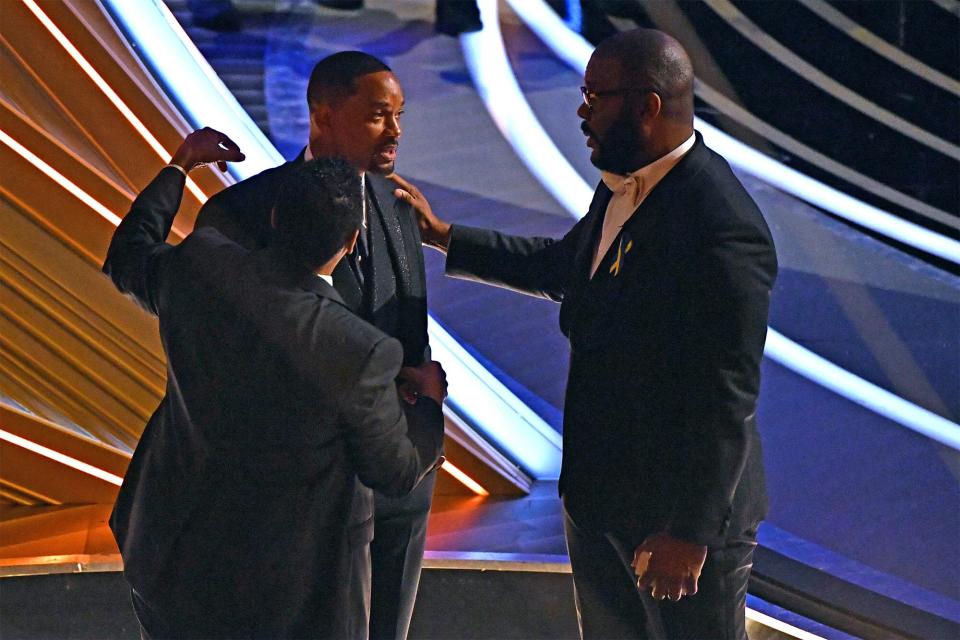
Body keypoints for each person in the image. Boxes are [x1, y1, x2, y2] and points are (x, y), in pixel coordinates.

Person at [400, 28, 778, 640]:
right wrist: (444, 234)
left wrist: (689, 532)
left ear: (647, 106)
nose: (580, 112)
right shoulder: (628, 185)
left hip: (674, 524)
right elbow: (564, 267)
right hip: (602, 503)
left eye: (593, 97)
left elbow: (726, 395)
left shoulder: (721, 228)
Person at [103, 129, 446, 639]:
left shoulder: (198, 265)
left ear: (273, 219)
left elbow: (129, 255)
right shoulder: (359, 350)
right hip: (289, 598)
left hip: (171, 558)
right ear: (351, 242)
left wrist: (180, 166)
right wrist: (427, 404)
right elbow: (394, 471)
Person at [195, 52, 440, 640]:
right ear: (323, 117)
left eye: (400, 115)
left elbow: (409, 331)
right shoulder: (239, 216)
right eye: (380, 115)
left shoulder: (398, 204)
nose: (396, 131)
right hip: (298, 496)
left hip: (398, 480)